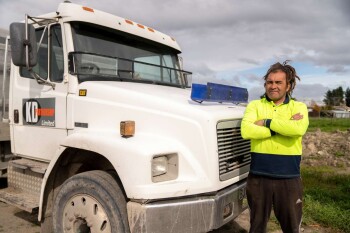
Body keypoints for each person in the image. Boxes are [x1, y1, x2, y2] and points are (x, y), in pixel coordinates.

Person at [241, 60, 309, 233]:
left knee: (291, 228)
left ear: (288, 86)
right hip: (258, 177)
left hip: (289, 178)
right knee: (256, 227)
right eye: (270, 82)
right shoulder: (255, 105)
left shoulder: (298, 106)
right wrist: (281, 128)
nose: (273, 86)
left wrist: (266, 122)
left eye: (279, 82)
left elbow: (298, 128)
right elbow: (247, 131)